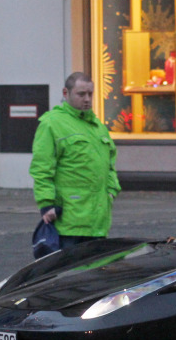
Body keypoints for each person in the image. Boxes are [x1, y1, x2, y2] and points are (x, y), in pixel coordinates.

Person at [30, 72, 121, 250]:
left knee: (93, 274)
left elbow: (110, 164)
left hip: (98, 222)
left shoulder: (97, 126)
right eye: (81, 94)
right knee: (68, 274)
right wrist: (46, 203)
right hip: (69, 221)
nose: (87, 99)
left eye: (90, 94)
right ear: (66, 93)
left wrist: (111, 190)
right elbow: (42, 168)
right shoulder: (52, 124)